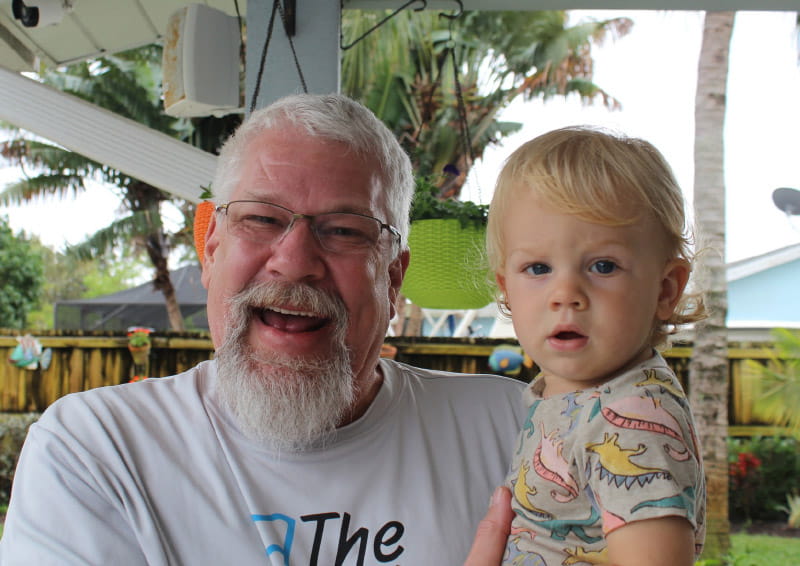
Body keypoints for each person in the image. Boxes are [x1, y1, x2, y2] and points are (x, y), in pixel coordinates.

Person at [0, 94, 526, 565]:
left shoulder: (519, 433)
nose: (295, 262)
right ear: (211, 252)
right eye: (261, 219)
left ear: (393, 278)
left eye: (344, 230)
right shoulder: (98, 450)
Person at [485, 126, 707, 565]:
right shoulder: (572, 394)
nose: (565, 292)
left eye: (603, 266)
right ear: (506, 290)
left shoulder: (631, 418)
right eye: (538, 267)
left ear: (665, 290)